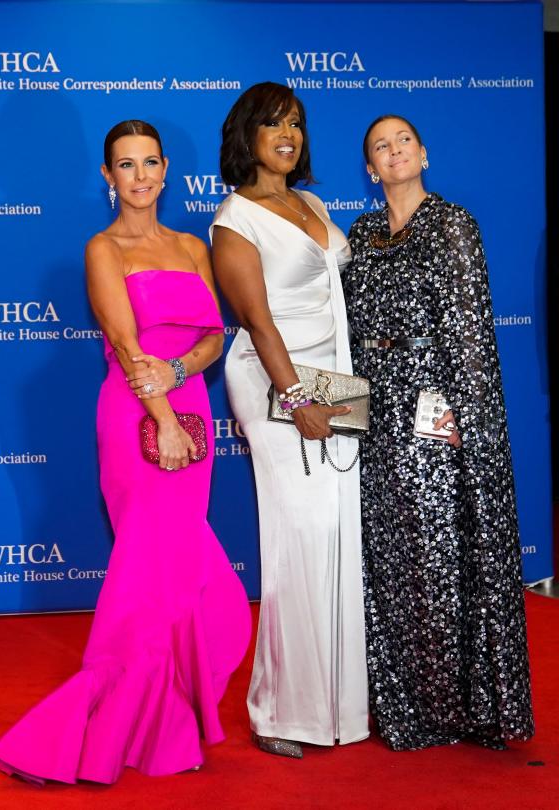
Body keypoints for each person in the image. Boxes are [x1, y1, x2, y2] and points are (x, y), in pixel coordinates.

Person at [0, 120, 252, 784]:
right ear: (108, 178)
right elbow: (126, 342)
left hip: (189, 406)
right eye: (125, 165)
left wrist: (182, 375)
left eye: (149, 163)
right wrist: (162, 414)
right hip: (137, 417)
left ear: (166, 172)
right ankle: (87, 727)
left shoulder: (194, 246)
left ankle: (166, 727)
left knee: (172, 570)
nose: (139, 176)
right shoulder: (102, 249)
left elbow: (216, 337)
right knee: (145, 568)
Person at [343, 114, 534, 751]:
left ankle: (454, 706)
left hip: (435, 410)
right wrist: (332, 408)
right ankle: (402, 704)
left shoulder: (452, 224)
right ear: (370, 168)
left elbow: (472, 334)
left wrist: (465, 420)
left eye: (403, 141)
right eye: (380, 146)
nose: (393, 151)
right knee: (388, 557)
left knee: (439, 557)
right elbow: (341, 330)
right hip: (373, 411)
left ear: (424, 153)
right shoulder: (362, 232)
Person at [210, 82, 369, 758]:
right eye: (274, 123)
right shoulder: (234, 220)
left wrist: (337, 391)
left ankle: (342, 708)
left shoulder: (312, 201)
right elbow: (257, 321)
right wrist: (297, 398)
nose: (288, 133)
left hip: (339, 378)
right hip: (279, 380)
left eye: (297, 123)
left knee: (340, 532)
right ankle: (278, 709)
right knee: (297, 535)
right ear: (246, 135)